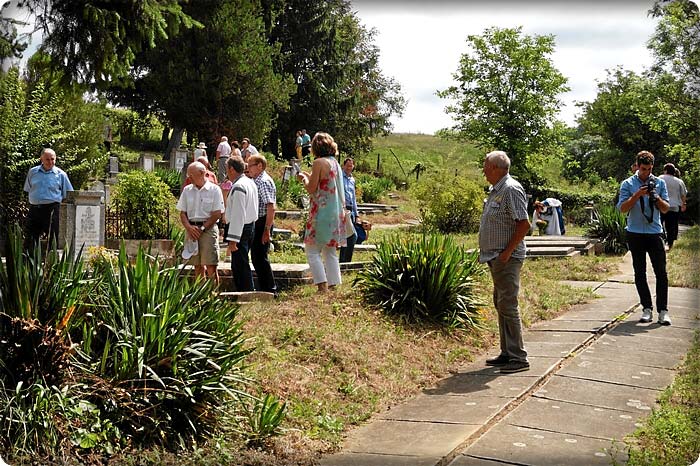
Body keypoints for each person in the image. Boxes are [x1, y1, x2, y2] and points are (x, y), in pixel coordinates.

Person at [479, 151, 531, 374]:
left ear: (496, 168)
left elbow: (524, 224)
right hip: (496, 257)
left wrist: (506, 253)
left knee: (508, 304)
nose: (484, 171)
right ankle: (507, 352)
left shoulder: (511, 189)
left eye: (486, 166)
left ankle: (518, 357)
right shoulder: (497, 190)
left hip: (506, 258)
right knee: (501, 303)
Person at [618, 150, 671, 325]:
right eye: (643, 169)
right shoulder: (627, 183)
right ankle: (646, 308)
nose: (646, 173)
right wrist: (637, 195)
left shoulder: (659, 183)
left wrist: (655, 197)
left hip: (654, 232)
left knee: (661, 273)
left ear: (652, 167)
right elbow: (623, 209)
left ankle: (663, 310)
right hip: (635, 232)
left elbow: (665, 209)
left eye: (649, 169)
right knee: (640, 273)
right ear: (637, 166)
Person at [298, 132, 347, 292]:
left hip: (321, 212)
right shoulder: (335, 163)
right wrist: (310, 176)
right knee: (330, 250)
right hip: (335, 212)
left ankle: (321, 285)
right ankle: (334, 284)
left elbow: (312, 188)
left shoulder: (318, 162)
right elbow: (327, 183)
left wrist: (304, 179)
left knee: (312, 250)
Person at [177, 161, 225, 285]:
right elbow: (183, 213)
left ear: (202, 173)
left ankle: (213, 296)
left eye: (191, 175)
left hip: (207, 229)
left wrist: (202, 228)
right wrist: (189, 227)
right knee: (197, 266)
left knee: (211, 266)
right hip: (191, 229)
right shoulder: (187, 190)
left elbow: (217, 214)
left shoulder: (214, 190)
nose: (189, 178)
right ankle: (199, 295)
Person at [23, 148, 74, 250]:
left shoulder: (61, 175)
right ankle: (28, 264)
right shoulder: (33, 172)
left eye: (52, 159)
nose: (50, 162)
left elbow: (68, 194)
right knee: (30, 239)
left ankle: (51, 264)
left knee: (53, 238)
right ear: (41, 158)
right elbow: (28, 188)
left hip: (52, 210)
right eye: (47, 159)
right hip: (34, 209)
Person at [225, 156, 259, 292]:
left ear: (232, 169)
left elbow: (238, 215)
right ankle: (245, 290)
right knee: (241, 262)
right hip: (250, 226)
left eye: (227, 169)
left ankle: (246, 292)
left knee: (240, 264)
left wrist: (233, 239)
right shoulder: (249, 182)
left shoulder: (239, 186)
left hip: (241, 229)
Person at [247, 154, 277, 294]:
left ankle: (270, 289)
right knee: (256, 257)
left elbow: (270, 206)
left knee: (260, 257)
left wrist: (267, 229)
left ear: (259, 165)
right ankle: (265, 288)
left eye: (250, 166)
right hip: (258, 221)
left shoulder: (263, 181)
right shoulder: (256, 180)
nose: (248, 169)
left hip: (263, 222)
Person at [659, 163, 687, 249]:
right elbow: (683, 194)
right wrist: (683, 204)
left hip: (661, 205)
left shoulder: (660, 178)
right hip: (674, 206)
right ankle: (670, 243)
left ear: (666, 170)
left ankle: (661, 239)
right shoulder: (679, 181)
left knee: (659, 223)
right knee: (671, 225)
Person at [339, 157, 359, 263]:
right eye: (347, 165)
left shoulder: (352, 179)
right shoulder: (340, 177)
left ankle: (345, 261)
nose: (349, 168)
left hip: (351, 210)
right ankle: (344, 261)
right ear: (343, 166)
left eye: (351, 166)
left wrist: (357, 214)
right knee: (351, 236)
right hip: (343, 209)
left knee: (348, 237)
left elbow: (354, 198)